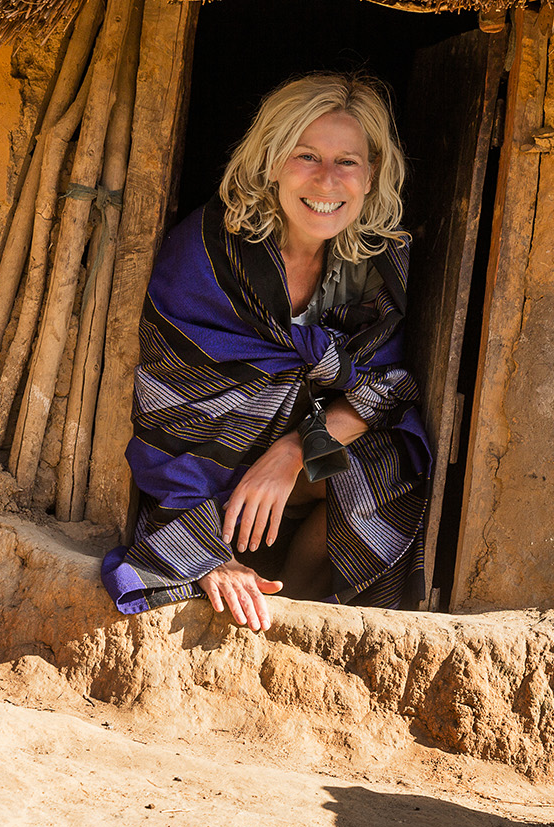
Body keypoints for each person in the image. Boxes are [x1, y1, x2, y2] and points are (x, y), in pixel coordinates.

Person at [101, 73, 430, 630]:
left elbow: (386, 387)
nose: (327, 180)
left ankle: (295, 611)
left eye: (347, 161)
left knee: (387, 462)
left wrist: (292, 452)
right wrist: (206, 552)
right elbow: (173, 408)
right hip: (211, 472)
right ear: (273, 162)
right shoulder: (209, 256)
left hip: (285, 476)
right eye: (307, 156)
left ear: (371, 175)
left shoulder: (373, 265)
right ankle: (212, 557)